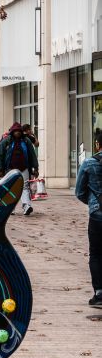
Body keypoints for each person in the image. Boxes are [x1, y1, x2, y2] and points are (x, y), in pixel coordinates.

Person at [75, 130, 102, 308]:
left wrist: (93, 203)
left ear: (98, 145)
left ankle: (99, 293)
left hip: (98, 216)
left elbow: (79, 192)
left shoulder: (89, 163)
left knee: (96, 254)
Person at [0, 122, 39, 216]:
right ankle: (11, 208)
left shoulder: (26, 141)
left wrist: (35, 167)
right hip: (10, 169)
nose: (17, 133)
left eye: (19, 131)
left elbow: (32, 154)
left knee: (25, 187)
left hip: (24, 168)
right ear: (12, 132)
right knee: (11, 188)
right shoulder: (6, 140)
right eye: (15, 131)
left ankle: (26, 206)